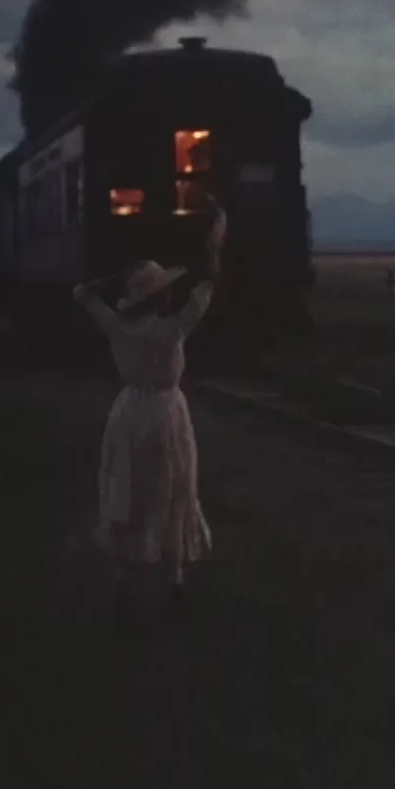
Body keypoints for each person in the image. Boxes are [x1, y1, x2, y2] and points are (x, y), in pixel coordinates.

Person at [72, 196, 227, 614]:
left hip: (128, 414)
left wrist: (116, 279)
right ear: (159, 299)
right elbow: (207, 286)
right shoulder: (173, 330)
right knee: (174, 488)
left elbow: (81, 293)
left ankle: (124, 579)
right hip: (167, 414)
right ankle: (174, 578)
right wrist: (215, 243)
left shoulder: (117, 327)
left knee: (128, 489)